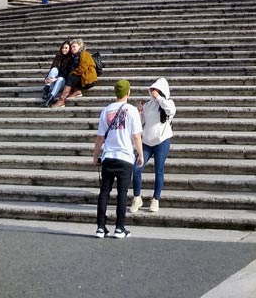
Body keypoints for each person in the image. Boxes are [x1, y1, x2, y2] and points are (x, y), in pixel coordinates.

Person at [93, 79, 144, 239]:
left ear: (116, 92)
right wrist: (141, 154)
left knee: (104, 192)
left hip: (108, 156)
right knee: (122, 193)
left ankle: (100, 227)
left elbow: (100, 137)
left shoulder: (105, 110)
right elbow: (136, 136)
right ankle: (119, 228)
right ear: (128, 93)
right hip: (125, 157)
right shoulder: (132, 110)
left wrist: (95, 155)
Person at [131, 77, 176, 214]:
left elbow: (169, 110)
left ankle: (156, 199)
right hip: (146, 141)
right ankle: (137, 197)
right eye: (152, 90)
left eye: (155, 90)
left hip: (162, 140)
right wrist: (139, 111)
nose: (152, 92)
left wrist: (159, 98)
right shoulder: (149, 105)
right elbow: (140, 122)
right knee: (136, 168)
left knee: (159, 170)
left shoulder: (168, 103)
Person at [54, 38, 98, 107]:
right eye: (71, 47)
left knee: (71, 76)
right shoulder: (74, 57)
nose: (72, 49)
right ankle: (77, 91)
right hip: (81, 78)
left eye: (74, 46)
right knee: (70, 75)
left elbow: (82, 68)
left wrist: (72, 73)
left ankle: (61, 100)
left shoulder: (84, 54)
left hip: (88, 79)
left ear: (80, 46)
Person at [42, 40, 73, 106]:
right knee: (54, 69)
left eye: (66, 48)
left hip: (62, 83)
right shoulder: (58, 57)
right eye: (63, 48)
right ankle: (46, 88)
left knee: (60, 78)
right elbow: (52, 69)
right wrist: (46, 78)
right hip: (53, 83)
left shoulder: (71, 59)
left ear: (69, 49)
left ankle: (50, 98)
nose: (64, 49)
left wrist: (55, 79)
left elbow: (67, 75)